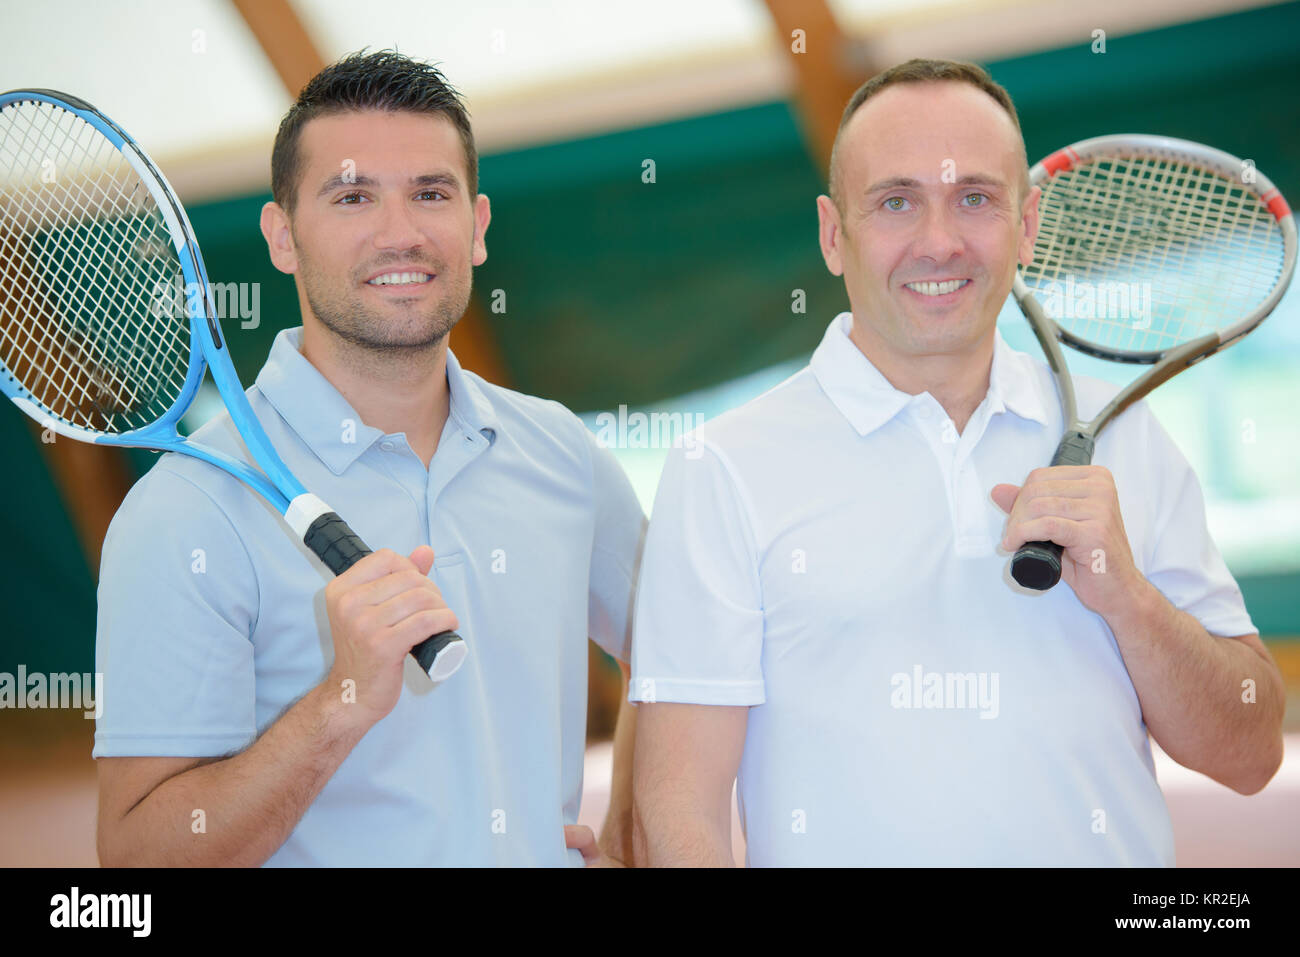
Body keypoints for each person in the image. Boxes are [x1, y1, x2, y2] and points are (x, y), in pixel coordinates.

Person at [629, 58, 1285, 867]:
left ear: (1028, 225)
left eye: (975, 198)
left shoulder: (1131, 439)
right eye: (897, 201)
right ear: (835, 235)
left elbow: (1252, 753)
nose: (939, 242)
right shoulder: (722, 467)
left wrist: (1129, 599)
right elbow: (680, 813)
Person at [93, 51, 644, 867]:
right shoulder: (182, 513)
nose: (402, 233)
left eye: (431, 193)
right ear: (283, 237)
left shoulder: (559, 451)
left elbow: (683, 653)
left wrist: (634, 826)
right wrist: (340, 702)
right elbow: (138, 858)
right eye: (353, 196)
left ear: (478, 225)